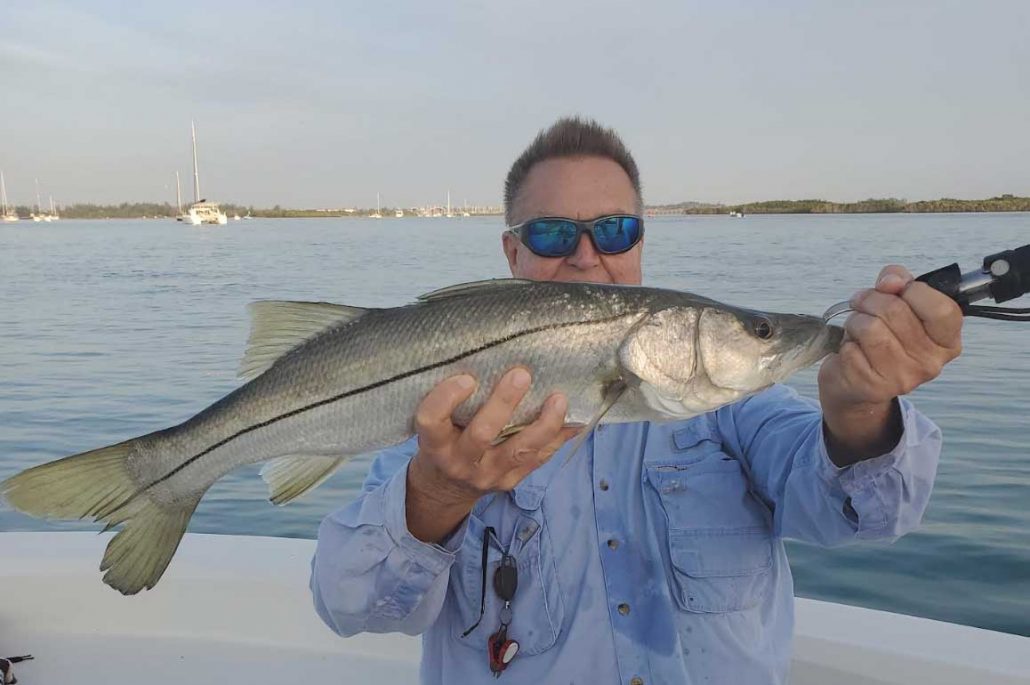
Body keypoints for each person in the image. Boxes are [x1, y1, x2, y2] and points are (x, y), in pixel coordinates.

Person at [310, 117, 963, 684]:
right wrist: (437, 495)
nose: (588, 257)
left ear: (641, 242)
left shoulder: (736, 410)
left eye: (615, 230)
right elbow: (349, 603)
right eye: (552, 235)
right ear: (512, 251)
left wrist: (858, 412)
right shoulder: (448, 421)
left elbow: (866, 512)